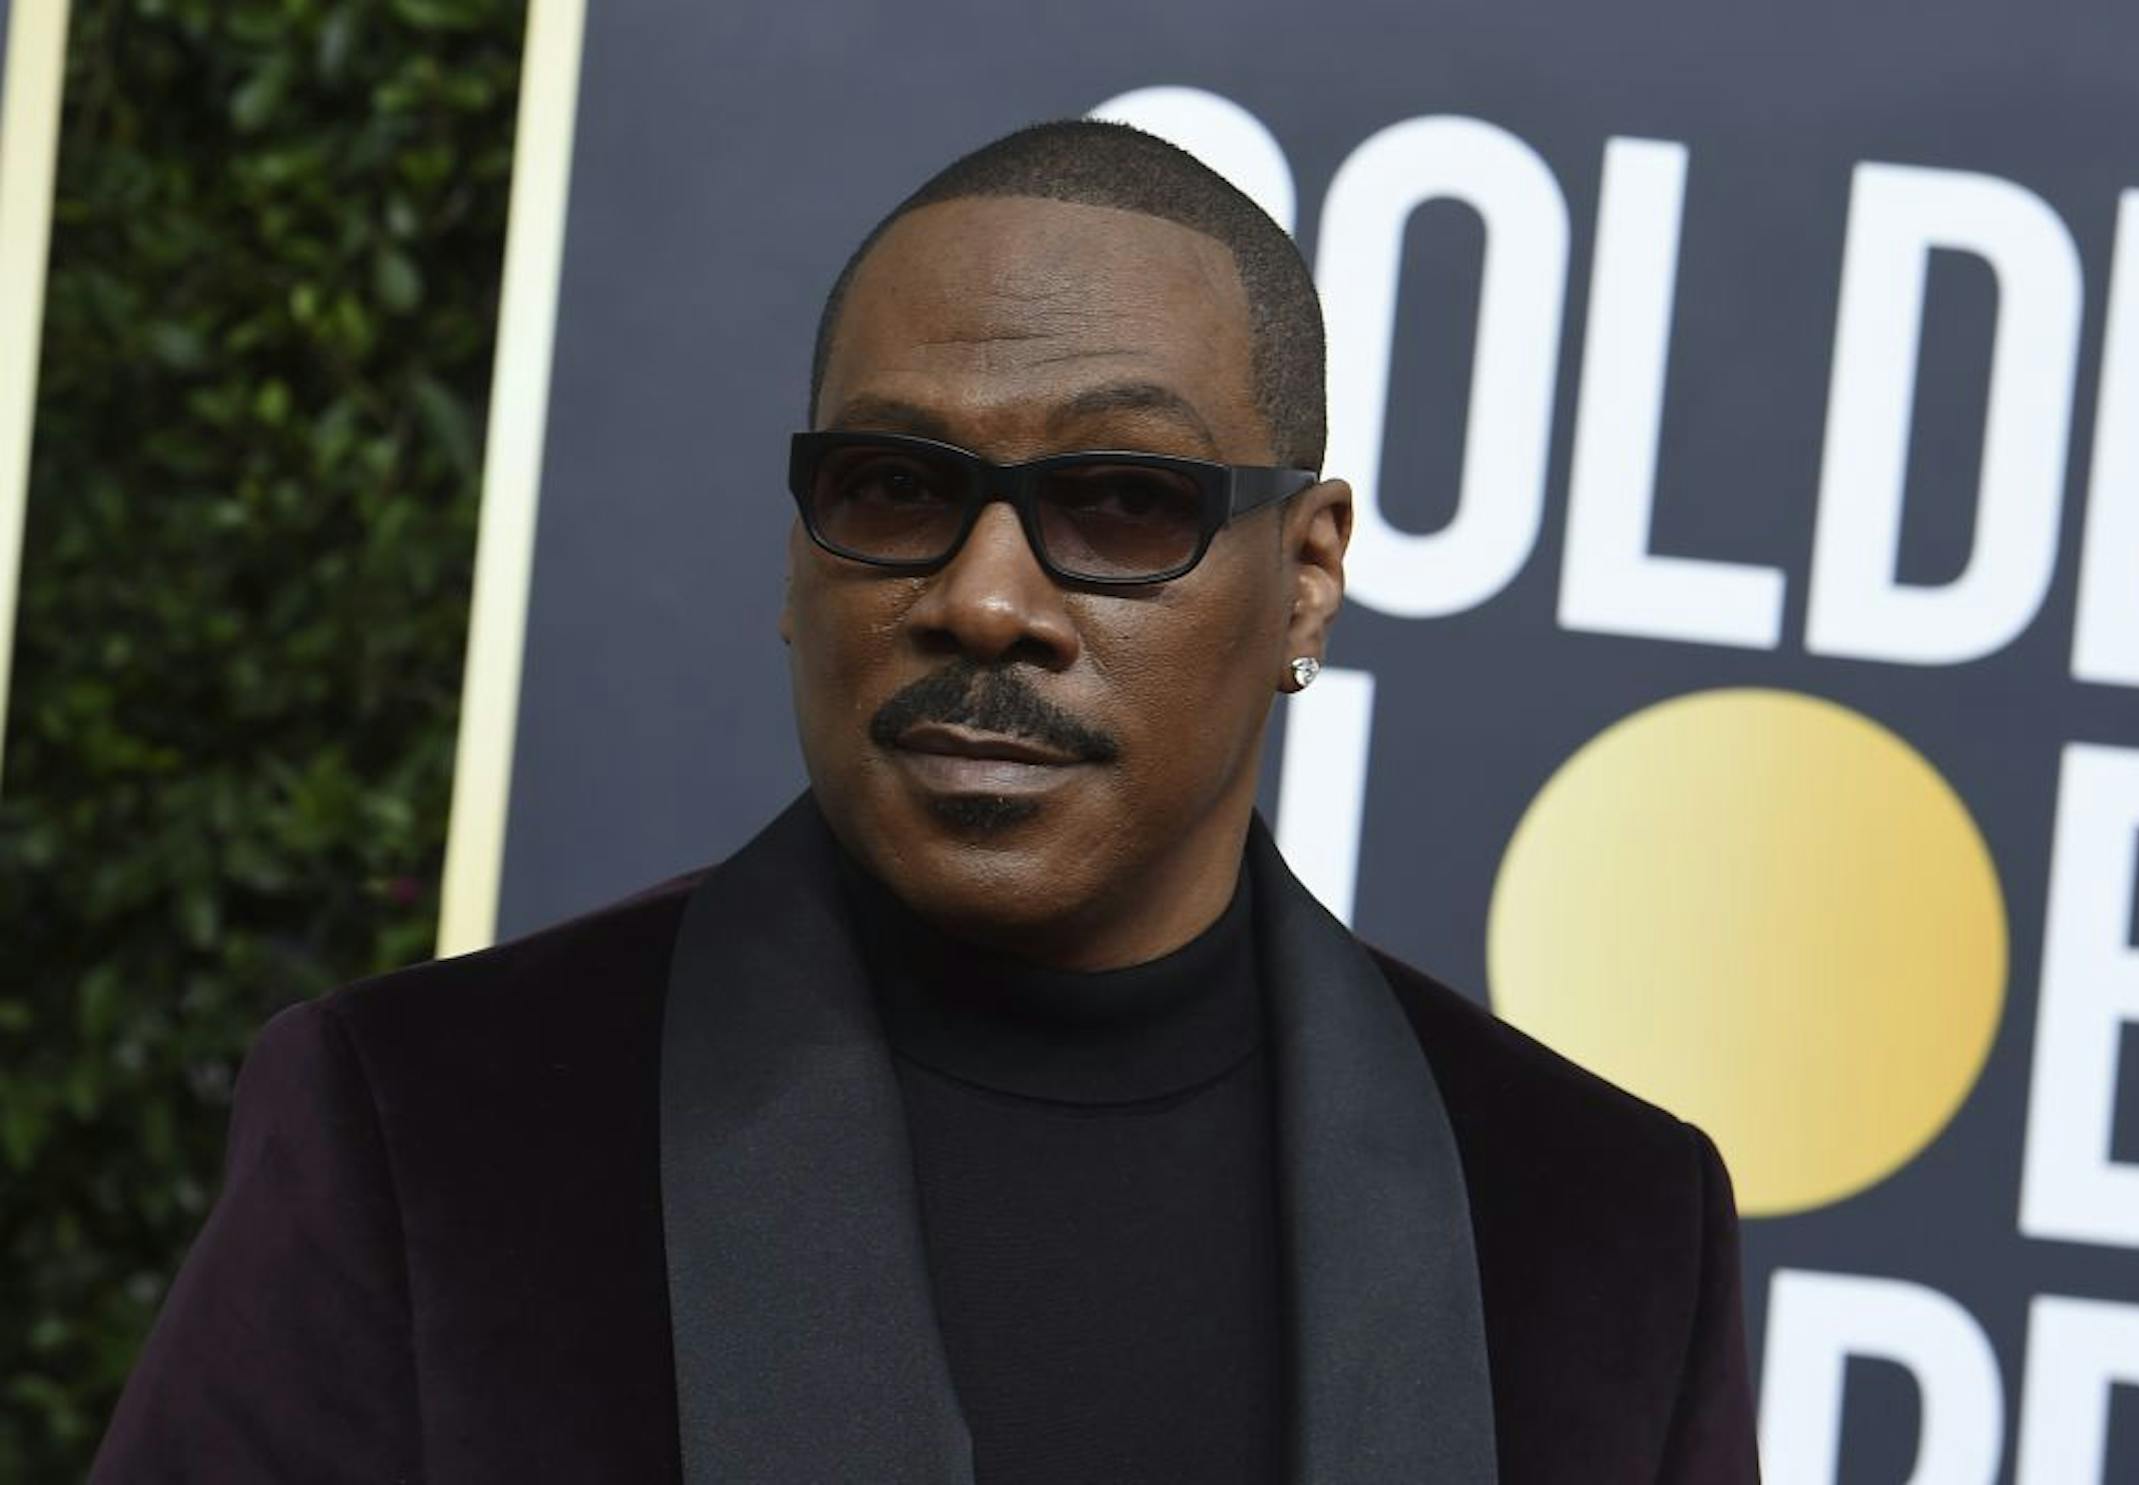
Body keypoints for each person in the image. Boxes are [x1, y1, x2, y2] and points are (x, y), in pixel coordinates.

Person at [93, 121, 1759, 1483]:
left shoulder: (1601, 1219)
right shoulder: (422, 1126)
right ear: (799, 544)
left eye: (1119, 502)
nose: (981, 597)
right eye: (896, 487)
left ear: (1306, 580)